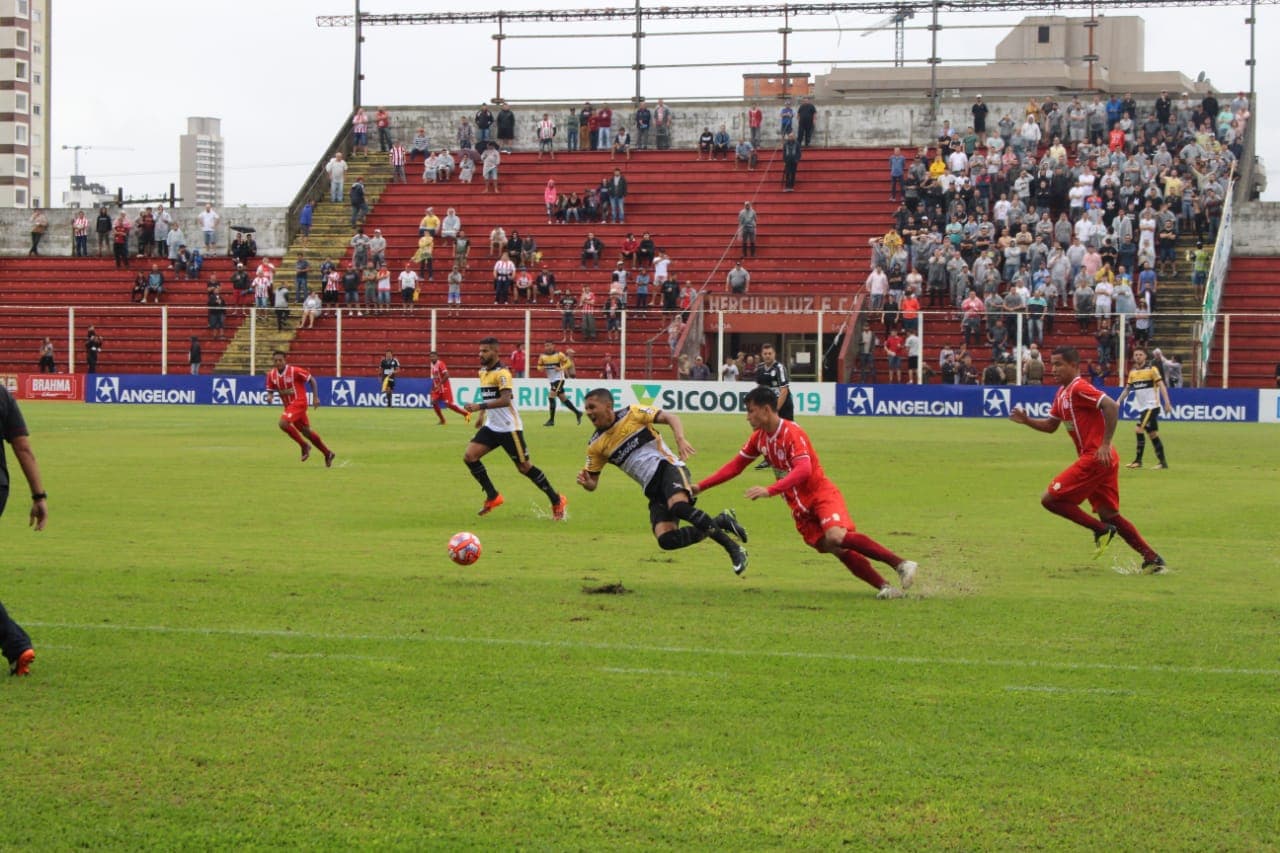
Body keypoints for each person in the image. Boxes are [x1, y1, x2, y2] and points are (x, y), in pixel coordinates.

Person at [694, 386, 917, 598]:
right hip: (798, 506)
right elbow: (735, 466)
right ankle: (885, 587)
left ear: (766, 410)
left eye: (750, 411)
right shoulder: (760, 438)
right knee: (833, 547)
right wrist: (699, 487)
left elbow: (804, 469)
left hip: (820, 494)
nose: (747, 417)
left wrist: (770, 490)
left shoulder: (792, 432)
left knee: (836, 536)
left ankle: (901, 564)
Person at [1009, 346, 1166, 573]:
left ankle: (1101, 530)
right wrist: (1027, 421)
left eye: (1059, 364)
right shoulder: (1062, 394)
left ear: (1074, 366)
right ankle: (1152, 558)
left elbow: (1111, 405)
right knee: (1109, 514)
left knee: (1050, 500)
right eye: (1052, 364)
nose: (1054, 369)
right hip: (1102, 460)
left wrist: (1104, 443)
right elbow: (1051, 426)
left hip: (1095, 457)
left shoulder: (1078, 387)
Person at [577, 389, 748, 574]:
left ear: (608, 406)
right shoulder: (595, 445)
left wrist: (680, 439)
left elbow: (670, 417)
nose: (588, 412)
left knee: (678, 507)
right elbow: (592, 483)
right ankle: (721, 521)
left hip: (668, 467)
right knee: (667, 540)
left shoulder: (632, 413)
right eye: (586, 408)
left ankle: (734, 549)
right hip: (652, 488)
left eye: (592, 407)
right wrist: (587, 483)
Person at [462, 337, 568, 520]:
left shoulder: (503, 373)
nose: (481, 354)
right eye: (480, 350)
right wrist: (481, 416)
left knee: (524, 467)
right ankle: (493, 495)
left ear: (496, 352)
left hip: (509, 428)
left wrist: (479, 407)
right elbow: (488, 397)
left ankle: (556, 499)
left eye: (485, 351)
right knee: (470, 456)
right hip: (492, 426)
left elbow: (505, 399)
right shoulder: (482, 372)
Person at [0, 385, 48, 676]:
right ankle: (16, 645)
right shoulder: (2, 395)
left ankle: (16, 643)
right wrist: (39, 496)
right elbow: (23, 447)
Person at [264, 350, 336, 467]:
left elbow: (311, 379)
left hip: (299, 403)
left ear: (285, 360)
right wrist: (269, 397)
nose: (278, 362)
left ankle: (304, 445)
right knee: (307, 432)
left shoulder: (294, 371)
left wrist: (315, 397)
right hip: (290, 407)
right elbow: (270, 391)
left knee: (283, 423)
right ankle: (328, 453)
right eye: (275, 360)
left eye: (280, 360)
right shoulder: (271, 375)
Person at [1116, 348, 1173, 470]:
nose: (1137, 356)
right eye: (1135, 354)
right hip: (1144, 408)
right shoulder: (1132, 373)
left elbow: (1161, 385)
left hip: (1151, 406)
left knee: (1138, 429)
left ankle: (1138, 461)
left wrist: (1167, 402)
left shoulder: (1152, 370)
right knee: (1152, 434)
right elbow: (1127, 389)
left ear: (1145, 356)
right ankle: (1162, 462)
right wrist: (1118, 401)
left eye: (1140, 354)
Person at [538, 341, 584, 426]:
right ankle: (578, 412)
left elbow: (569, 363)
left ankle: (551, 420)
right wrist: (542, 368)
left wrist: (561, 368)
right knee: (563, 399)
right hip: (552, 380)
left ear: (553, 346)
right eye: (546, 346)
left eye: (549, 345)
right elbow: (539, 366)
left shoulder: (559, 355)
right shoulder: (542, 357)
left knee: (551, 396)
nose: (547, 347)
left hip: (559, 379)